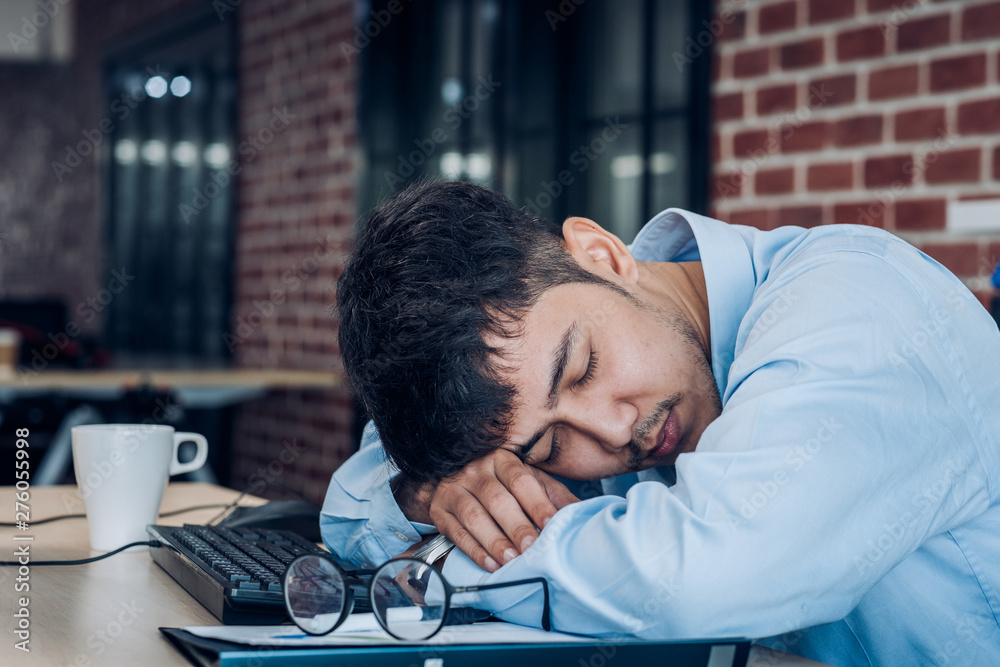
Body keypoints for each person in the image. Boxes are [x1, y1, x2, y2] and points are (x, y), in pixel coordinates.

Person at [322, 180, 1000, 666]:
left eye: (583, 365)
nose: (613, 431)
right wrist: (434, 494)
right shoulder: (600, 372)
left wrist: (450, 556)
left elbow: (709, 572)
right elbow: (361, 484)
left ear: (602, 254)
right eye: (552, 445)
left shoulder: (858, 306)